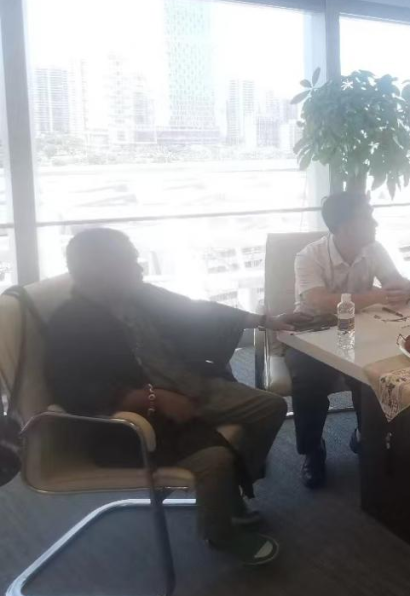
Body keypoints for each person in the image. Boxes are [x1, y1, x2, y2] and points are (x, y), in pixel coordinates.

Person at [44, 228, 295, 566]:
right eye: (129, 261)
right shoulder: (70, 324)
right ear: (98, 271)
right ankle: (220, 533)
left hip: (191, 386)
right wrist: (154, 398)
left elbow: (195, 311)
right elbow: (77, 391)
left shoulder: (138, 295)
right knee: (214, 460)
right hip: (141, 422)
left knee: (271, 407)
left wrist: (265, 321)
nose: (139, 267)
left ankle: (230, 489)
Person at [291, 191, 410, 489]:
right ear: (346, 227)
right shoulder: (309, 256)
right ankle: (312, 450)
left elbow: (395, 283)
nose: (375, 222)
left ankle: (365, 435)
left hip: (361, 328)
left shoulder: (374, 249)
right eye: (367, 216)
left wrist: (403, 289)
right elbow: (319, 301)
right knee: (307, 379)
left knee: (377, 372)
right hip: (313, 331)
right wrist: (376, 295)